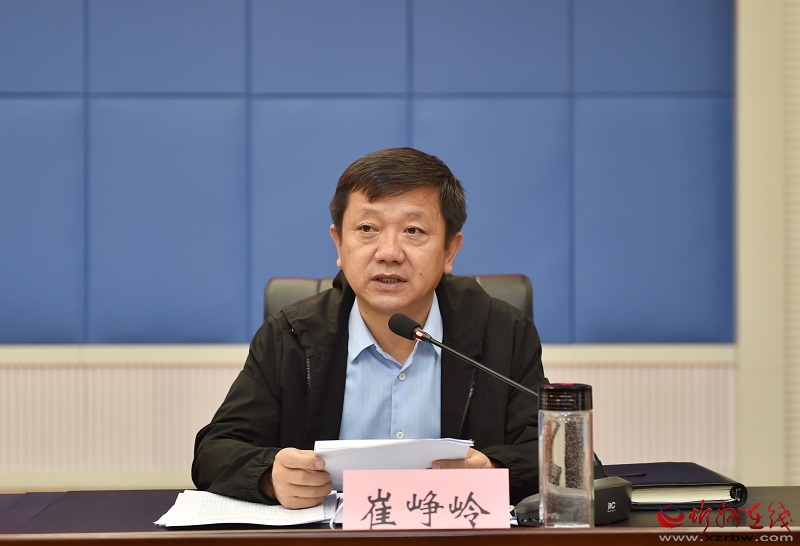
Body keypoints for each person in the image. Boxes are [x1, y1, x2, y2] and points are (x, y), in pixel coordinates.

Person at [192, 147, 548, 509]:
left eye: (413, 230)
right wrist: (270, 476)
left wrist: (493, 470)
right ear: (339, 243)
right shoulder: (291, 336)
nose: (389, 252)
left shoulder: (504, 333)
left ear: (449, 251)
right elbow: (215, 451)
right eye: (367, 229)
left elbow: (555, 453)